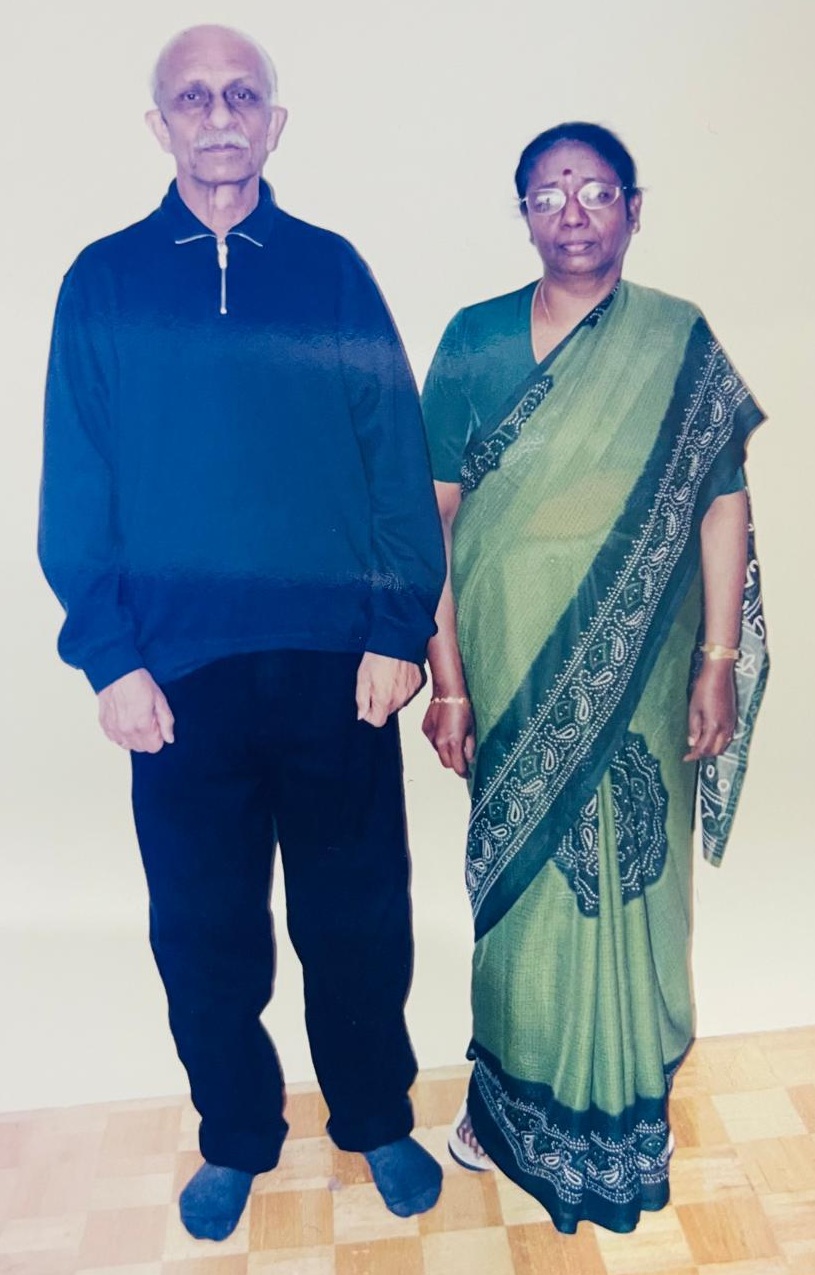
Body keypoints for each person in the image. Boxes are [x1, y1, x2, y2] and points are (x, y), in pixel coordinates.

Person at [39, 24, 446, 1241]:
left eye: (240, 96)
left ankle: (373, 1115)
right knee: (204, 930)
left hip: (336, 666)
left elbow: (393, 456)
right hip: (176, 679)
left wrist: (396, 629)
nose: (217, 116)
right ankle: (234, 1135)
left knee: (355, 914)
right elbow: (76, 486)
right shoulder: (104, 283)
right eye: (192, 98)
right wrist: (111, 658)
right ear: (158, 125)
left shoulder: (329, 271)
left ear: (273, 123)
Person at [420, 121, 768, 1234]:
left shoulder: (678, 339)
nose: (571, 212)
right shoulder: (473, 340)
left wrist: (718, 661)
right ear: (522, 214)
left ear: (632, 208)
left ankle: (628, 1107)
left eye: (595, 190)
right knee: (529, 892)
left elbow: (721, 505)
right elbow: (428, 522)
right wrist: (448, 680)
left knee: (637, 880)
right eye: (547, 193)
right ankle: (505, 1113)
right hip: (511, 669)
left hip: (648, 668)